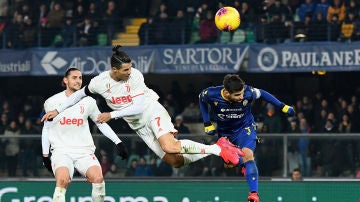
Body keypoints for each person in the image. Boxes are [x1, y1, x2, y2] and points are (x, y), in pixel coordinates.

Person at [41, 46, 244, 171]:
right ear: (114, 70)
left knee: (170, 146)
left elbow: (137, 106)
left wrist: (112, 114)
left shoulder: (136, 76)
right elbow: (78, 94)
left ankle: (218, 149)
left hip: (150, 112)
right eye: (125, 70)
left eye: (130, 67)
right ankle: (218, 147)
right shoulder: (98, 82)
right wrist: (57, 110)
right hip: (139, 127)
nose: (130, 71)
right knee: (176, 161)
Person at [198, 74, 295, 202]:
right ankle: (243, 165)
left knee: (248, 154)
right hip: (225, 132)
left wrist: (282, 106)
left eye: (242, 93)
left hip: (245, 128)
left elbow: (263, 93)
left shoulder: (248, 92)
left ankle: (254, 194)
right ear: (226, 93)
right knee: (230, 164)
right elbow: (201, 99)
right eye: (237, 95)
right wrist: (207, 123)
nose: (242, 97)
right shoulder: (211, 93)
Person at [41, 67, 129, 202]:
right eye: (74, 78)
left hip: (84, 151)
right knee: (63, 180)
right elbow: (46, 129)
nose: (78, 81)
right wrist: (45, 155)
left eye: (80, 78)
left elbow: (100, 123)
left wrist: (118, 142)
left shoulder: (89, 101)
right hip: (61, 151)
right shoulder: (51, 102)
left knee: (98, 179)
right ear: (66, 80)